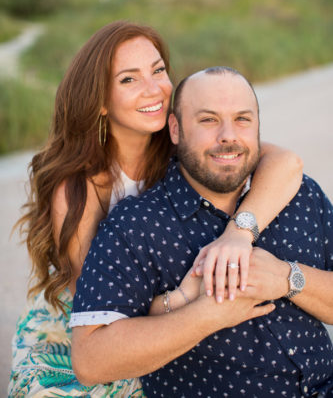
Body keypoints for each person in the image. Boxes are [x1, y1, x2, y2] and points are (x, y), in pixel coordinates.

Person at [8, 20, 302, 398]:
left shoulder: (184, 142)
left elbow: (287, 164)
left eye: (158, 70)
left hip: (174, 305)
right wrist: (184, 299)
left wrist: (238, 234)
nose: (154, 90)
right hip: (93, 324)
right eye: (129, 79)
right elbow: (103, 310)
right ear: (99, 100)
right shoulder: (80, 189)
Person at [70, 66, 333, 397]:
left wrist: (289, 278)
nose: (228, 136)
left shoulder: (299, 194)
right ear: (176, 130)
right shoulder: (136, 225)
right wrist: (205, 316)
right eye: (208, 120)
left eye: (242, 119)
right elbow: (90, 360)